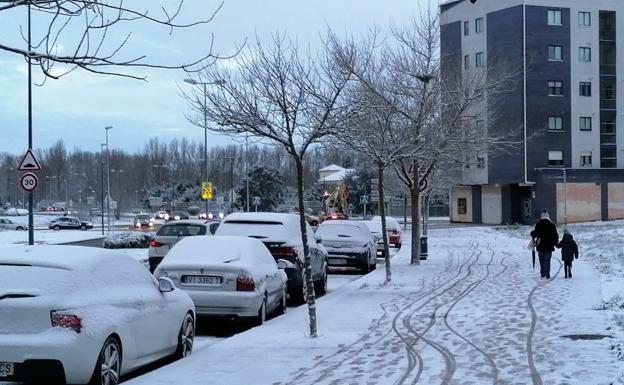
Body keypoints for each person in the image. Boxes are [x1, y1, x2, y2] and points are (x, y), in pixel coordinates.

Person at [530, 209, 559, 279]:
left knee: (541, 260)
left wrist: (532, 233)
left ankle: (542, 273)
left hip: (540, 246)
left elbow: (535, 233)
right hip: (549, 246)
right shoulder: (552, 225)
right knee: (547, 260)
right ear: (548, 216)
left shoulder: (538, 224)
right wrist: (556, 243)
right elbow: (555, 235)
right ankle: (547, 274)